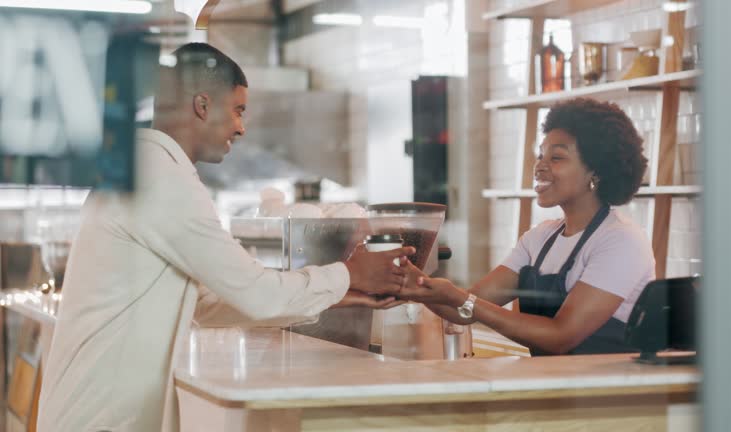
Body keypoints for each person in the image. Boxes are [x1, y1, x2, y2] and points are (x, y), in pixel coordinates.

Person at [37, 43, 411, 432]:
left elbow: (210, 302)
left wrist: (345, 293)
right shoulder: (158, 177)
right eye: (238, 110)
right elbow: (255, 292)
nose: (241, 127)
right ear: (202, 105)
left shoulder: (147, 168)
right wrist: (348, 274)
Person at [400, 98, 654, 356]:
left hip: (610, 391)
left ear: (595, 173)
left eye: (556, 157)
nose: (539, 166)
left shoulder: (621, 240)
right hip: (551, 385)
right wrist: (412, 282)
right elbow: (461, 311)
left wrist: (461, 299)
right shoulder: (539, 238)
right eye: (541, 155)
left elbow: (561, 336)